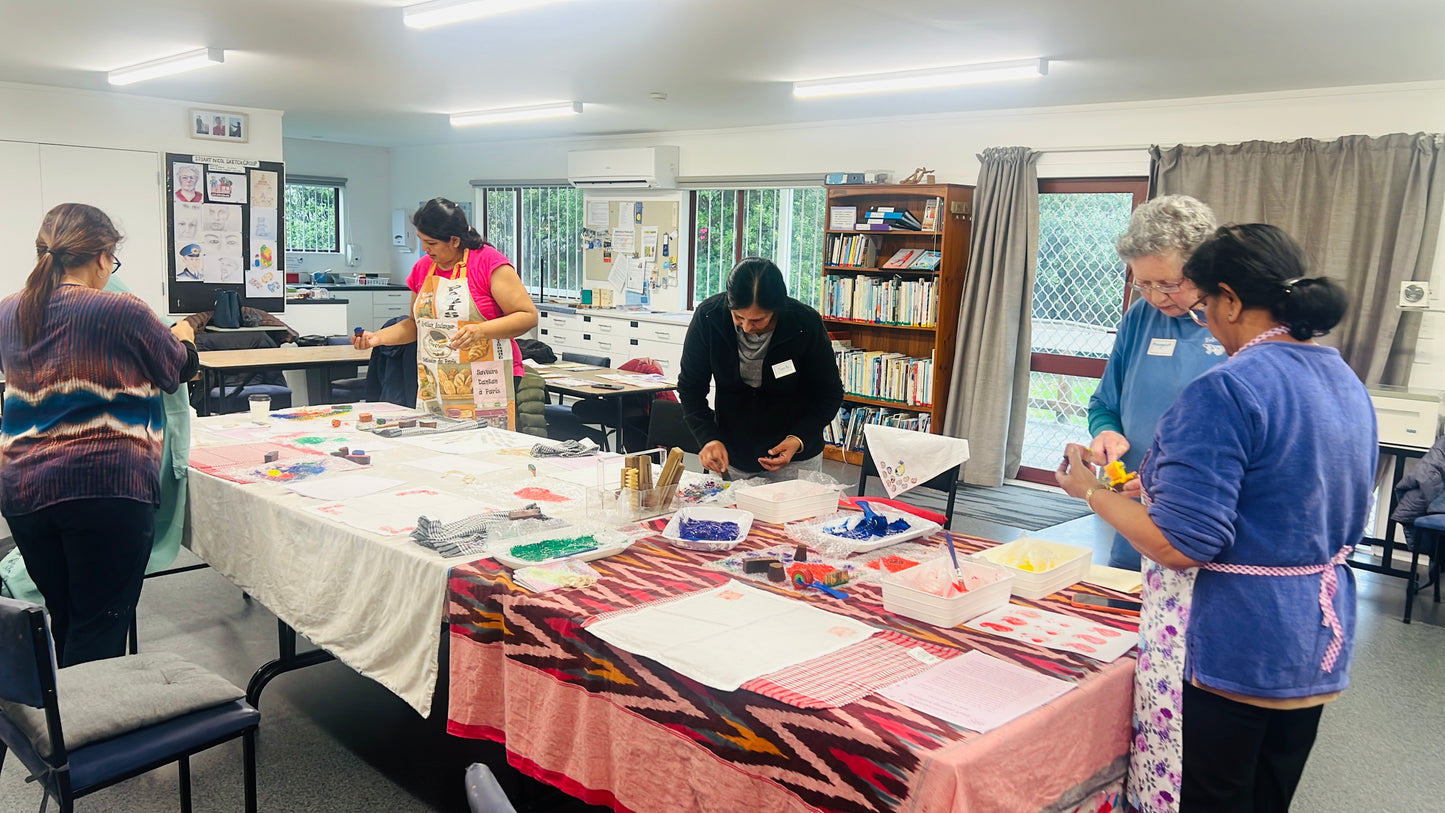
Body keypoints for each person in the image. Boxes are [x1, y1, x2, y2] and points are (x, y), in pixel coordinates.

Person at [1056, 224, 1376, 813]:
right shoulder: (1340, 377)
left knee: (1210, 795)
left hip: (1232, 638)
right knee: (1267, 791)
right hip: (1315, 632)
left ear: (1229, 298)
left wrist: (1092, 493)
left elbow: (1182, 546)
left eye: (1202, 307)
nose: (1203, 322)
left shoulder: (1227, 388)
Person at [0, 203, 198, 666]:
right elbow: (176, 369)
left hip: (24, 491)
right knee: (99, 627)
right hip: (103, 488)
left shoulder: (9, 311)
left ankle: (62, 730)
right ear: (102, 257)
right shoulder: (119, 309)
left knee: (68, 615)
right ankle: (88, 732)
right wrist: (185, 335)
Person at [1087, 194, 1225, 570]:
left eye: (1167, 284)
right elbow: (1104, 404)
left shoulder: (1234, 327)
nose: (1154, 297)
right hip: (1136, 516)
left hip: (1202, 520)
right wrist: (1107, 433)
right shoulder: (1140, 317)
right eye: (1142, 284)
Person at [354, 198, 537, 413]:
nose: (425, 249)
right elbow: (415, 325)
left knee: (481, 441)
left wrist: (480, 330)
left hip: (487, 375)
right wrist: (378, 338)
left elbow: (527, 315)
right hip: (436, 377)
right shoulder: (423, 268)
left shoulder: (489, 263)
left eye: (431, 243)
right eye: (422, 241)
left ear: (454, 240)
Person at [678, 257, 843, 478]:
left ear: (777, 309)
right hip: (732, 458)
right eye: (738, 317)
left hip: (795, 460)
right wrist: (708, 437)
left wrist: (798, 438)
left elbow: (829, 393)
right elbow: (690, 387)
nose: (746, 327)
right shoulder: (710, 317)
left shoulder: (804, 324)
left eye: (758, 320)